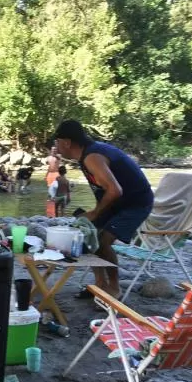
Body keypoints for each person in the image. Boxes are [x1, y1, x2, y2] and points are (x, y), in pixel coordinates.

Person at [54, 119, 154, 298]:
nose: (56, 146)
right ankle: (100, 284)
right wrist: (94, 215)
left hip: (135, 203)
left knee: (103, 240)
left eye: (58, 142)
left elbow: (115, 190)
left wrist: (95, 212)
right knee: (90, 234)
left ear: (67, 142)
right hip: (118, 202)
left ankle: (114, 288)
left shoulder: (93, 157)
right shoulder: (87, 154)